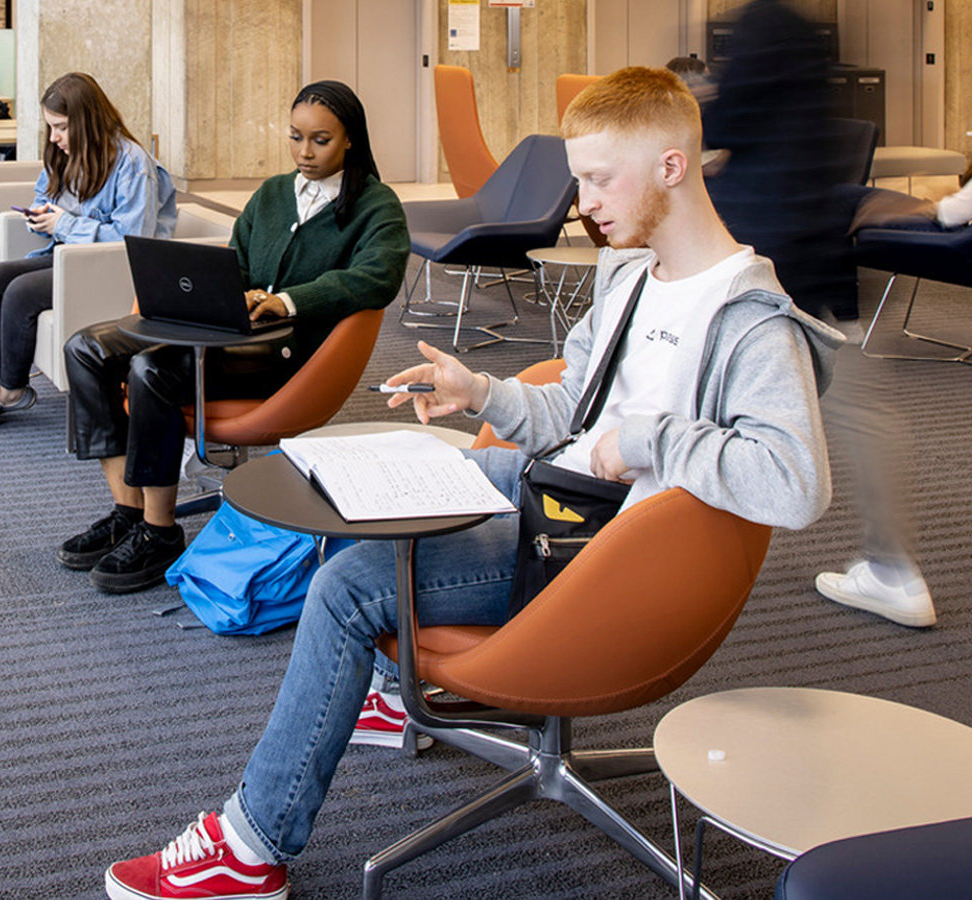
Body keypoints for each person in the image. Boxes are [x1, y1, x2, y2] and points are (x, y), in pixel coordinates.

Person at [102, 66, 839, 900]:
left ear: (671, 167)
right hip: (554, 487)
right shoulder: (632, 275)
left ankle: (251, 846)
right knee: (358, 474)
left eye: (599, 179)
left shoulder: (747, 319)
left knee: (348, 589)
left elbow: (796, 482)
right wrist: (480, 393)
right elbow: (574, 406)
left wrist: (646, 438)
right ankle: (385, 694)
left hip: (598, 550)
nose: (582, 201)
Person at [57, 80, 410, 597]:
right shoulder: (273, 193)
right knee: (85, 349)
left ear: (351, 140)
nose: (304, 153)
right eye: (295, 137)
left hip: (289, 353)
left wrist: (289, 300)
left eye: (320, 140)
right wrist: (232, 292)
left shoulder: (376, 207)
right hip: (229, 331)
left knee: (149, 372)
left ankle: (160, 531)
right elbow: (236, 259)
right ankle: (127, 513)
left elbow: (377, 277)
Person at [702, 0, 934, 628]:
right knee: (858, 412)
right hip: (813, 240)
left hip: (765, 248)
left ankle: (667, 551)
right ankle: (893, 567)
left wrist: (694, 105)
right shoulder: (798, 29)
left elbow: (733, 117)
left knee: (700, 391)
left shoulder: (764, 23)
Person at [0, 72, 177, 439]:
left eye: (60, 127)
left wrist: (62, 225)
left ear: (88, 121)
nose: (54, 138)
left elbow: (131, 240)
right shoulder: (65, 155)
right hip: (68, 257)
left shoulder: (133, 164)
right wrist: (40, 217)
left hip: (113, 268)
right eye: (51, 127)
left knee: (20, 293)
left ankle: (11, 391)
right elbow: (43, 199)